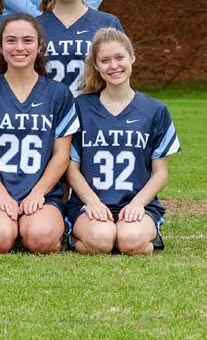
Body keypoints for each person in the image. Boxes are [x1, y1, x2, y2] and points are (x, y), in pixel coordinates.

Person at [0, 15, 78, 254]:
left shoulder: (59, 94)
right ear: (0, 47)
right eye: (11, 40)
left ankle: (42, 228)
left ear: (39, 47)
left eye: (27, 40)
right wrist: (0, 194)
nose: (19, 47)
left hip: (42, 193)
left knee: (41, 239)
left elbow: (62, 155)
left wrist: (38, 193)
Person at [66, 28, 180, 255]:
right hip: (90, 204)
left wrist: (138, 204)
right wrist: (92, 202)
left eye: (119, 57)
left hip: (138, 203)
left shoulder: (155, 110)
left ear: (132, 57)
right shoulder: (80, 107)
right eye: (105, 60)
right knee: (101, 240)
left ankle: (139, 236)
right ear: (96, 65)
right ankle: (81, 236)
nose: (114, 66)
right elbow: (70, 168)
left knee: (130, 241)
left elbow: (160, 173)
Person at [36, 0, 123, 93]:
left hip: (95, 107)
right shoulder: (33, 27)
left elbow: (121, 77)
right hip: (46, 106)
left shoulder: (107, 24)